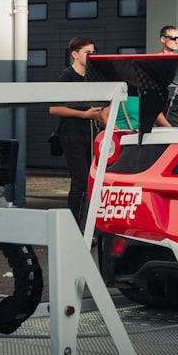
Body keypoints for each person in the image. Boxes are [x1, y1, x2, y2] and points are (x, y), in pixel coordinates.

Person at [49, 36, 102, 227]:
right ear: (74, 54)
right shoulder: (66, 76)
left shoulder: (91, 76)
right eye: (88, 52)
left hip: (90, 133)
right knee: (80, 181)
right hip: (71, 134)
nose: (91, 56)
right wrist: (84, 115)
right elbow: (54, 108)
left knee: (90, 180)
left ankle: (86, 225)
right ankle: (75, 227)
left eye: (93, 52)